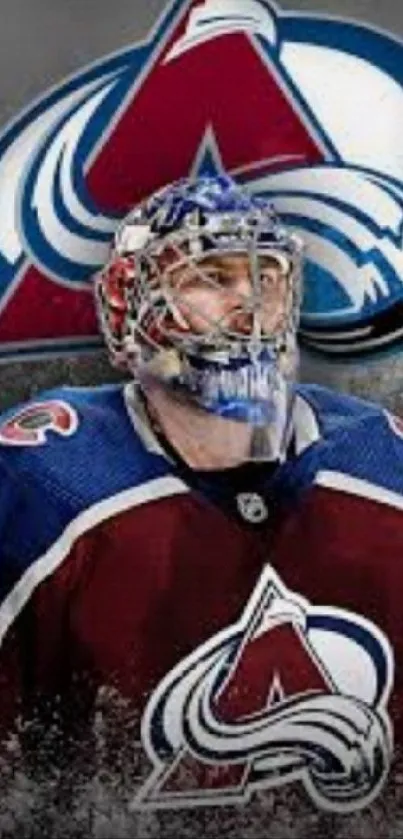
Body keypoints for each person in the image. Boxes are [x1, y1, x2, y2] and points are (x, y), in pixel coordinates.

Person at [0, 173, 402, 822]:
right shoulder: (47, 479)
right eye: (212, 277)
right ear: (130, 302)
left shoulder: (384, 469)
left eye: (265, 278)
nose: (247, 303)